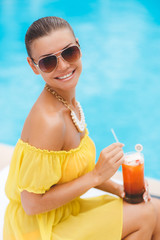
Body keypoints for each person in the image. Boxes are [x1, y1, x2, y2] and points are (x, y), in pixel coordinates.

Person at [3, 16, 160, 240]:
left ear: (79, 46)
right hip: (40, 229)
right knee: (144, 215)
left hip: (63, 213)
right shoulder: (50, 123)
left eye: (69, 52)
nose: (64, 66)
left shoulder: (67, 101)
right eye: (48, 61)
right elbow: (31, 205)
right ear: (33, 66)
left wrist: (118, 188)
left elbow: (70, 173)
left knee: (155, 209)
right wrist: (97, 175)